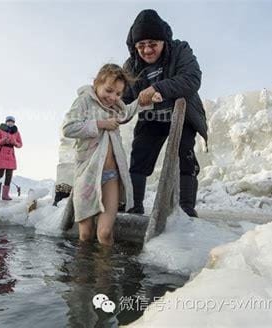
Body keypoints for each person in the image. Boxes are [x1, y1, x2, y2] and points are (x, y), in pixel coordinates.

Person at [62, 63, 162, 246]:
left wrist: (146, 100)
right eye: (108, 90)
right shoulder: (84, 101)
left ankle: (104, 273)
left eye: (118, 94)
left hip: (111, 176)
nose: (112, 97)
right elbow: (68, 128)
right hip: (88, 175)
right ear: (96, 83)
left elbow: (127, 112)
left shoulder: (116, 106)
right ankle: (83, 273)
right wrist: (100, 124)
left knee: (105, 232)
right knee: (85, 234)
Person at [122, 9, 208, 217]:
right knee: (139, 157)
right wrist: (114, 111)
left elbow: (192, 78)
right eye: (141, 45)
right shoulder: (131, 65)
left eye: (153, 44)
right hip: (151, 117)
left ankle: (185, 210)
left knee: (184, 157)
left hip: (182, 114)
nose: (147, 50)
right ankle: (134, 207)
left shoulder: (180, 50)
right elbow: (124, 98)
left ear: (163, 41)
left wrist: (157, 88)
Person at [0, 116, 23, 200]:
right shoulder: (0, 130)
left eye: (12, 122)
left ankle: (5, 195)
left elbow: (20, 144)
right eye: (9, 121)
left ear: (14, 123)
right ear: (6, 122)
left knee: (9, 175)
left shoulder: (16, 132)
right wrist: (3, 140)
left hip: (10, 154)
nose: (10, 123)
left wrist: (15, 143)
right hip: (1, 153)